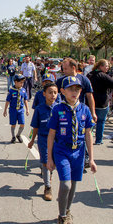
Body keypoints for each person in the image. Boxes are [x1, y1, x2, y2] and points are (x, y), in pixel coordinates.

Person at [47, 76, 97, 224]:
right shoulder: (58, 109)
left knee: (73, 185)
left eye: (77, 89)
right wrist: (49, 158)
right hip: (62, 150)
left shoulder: (85, 110)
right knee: (66, 184)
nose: (74, 92)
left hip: (79, 152)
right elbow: (51, 134)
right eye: (70, 89)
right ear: (63, 91)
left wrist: (91, 159)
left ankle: (67, 211)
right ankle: (62, 215)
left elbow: (88, 134)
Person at [28, 83, 59, 201]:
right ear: (44, 94)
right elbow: (35, 127)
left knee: (53, 164)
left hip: (57, 141)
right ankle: (48, 187)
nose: (53, 95)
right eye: (50, 92)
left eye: (55, 93)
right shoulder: (39, 109)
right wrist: (31, 141)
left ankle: (48, 175)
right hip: (43, 140)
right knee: (46, 162)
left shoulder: (60, 108)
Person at [87, 59, 113, 145]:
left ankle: (88, 139)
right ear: (100, 66)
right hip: (102, 103)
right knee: (101, 122)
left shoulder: (89, 75)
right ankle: (98, 140)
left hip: (90, 102)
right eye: (106, 66)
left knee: (90, 122)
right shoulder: (103, 76)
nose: (107, 68)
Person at [3, 74, 29, 143]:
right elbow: (8, 101)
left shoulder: (23, 90)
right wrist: (5, 110)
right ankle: (13, 136)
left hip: (20, 110)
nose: (22, 84)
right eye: (20, 82)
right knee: (13, 124)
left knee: (22, 124)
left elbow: (25, 99)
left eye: (22, 82)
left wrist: (27, 109)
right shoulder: (11, 90)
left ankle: (18, 135)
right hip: (13, 110)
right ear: (15, 82)